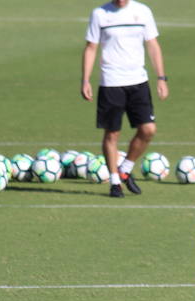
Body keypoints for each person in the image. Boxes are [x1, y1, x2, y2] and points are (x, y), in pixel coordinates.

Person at [81, 0, 169, 198]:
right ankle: (114, 181)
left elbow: (153, 44)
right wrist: (85, 80)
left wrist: (161, 78)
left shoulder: (143, 11)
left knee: (148, 129)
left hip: (138, 81)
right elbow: (91, 48)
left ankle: (125, 168)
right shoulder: (100, 14)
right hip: (111, 82)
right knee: (112, 134)